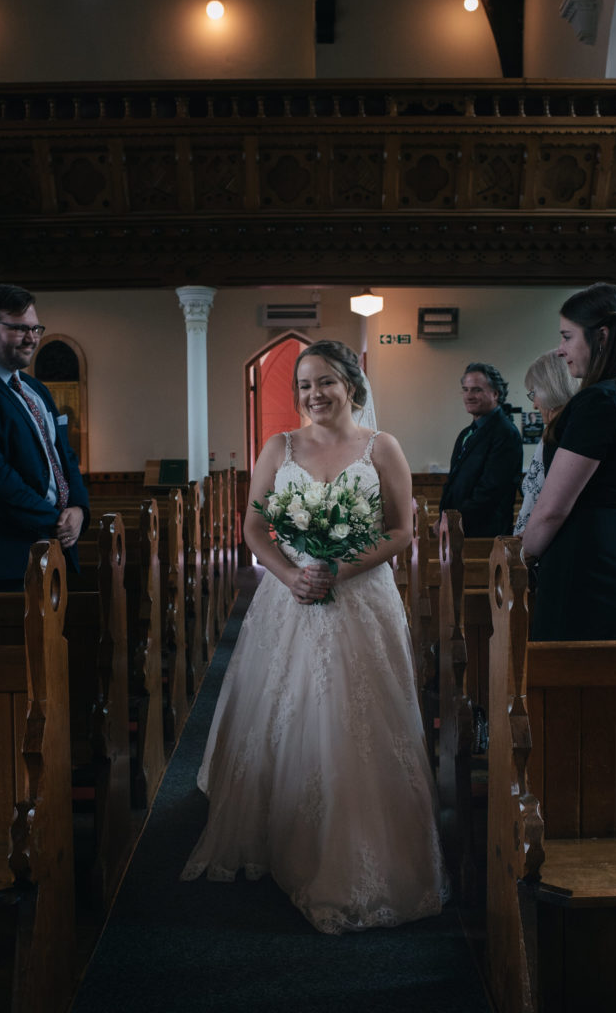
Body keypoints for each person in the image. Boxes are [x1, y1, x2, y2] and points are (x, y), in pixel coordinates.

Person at [181, 340, 447, 933]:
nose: (313, 395)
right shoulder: (280, 447)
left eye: (325, 382)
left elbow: (402, 531)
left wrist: (341, 569)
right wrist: (289, 574)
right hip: (289, 595)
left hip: (360, 598)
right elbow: (253, 524)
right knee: (289, 709)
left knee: (356, 718)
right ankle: (280, 838)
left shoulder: (384, 448)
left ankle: (356, 851)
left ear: (351, 384)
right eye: (304, 386)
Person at [522, 283, 616, 641]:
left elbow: (553, 508)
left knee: (569, 679)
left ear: (601, 336)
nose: (560, 351)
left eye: (567, 337)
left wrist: (522, 556)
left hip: (584, 563)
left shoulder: (599, 401)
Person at [0, 283, 89, 590]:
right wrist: (56, 520)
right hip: (2, 564)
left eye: (36, 328)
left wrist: (80, 509)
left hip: (53, 549)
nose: (32, 338)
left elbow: (65, 457)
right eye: (19, 329)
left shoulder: (36, 389)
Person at [437, 362, 522, 537]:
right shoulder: (467, 433)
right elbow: (453, 483)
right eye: (465, 389)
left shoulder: (505, 433)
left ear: (495, 393)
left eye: (476, 390)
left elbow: (490, 491)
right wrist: (443, 518)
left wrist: (455, 521)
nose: (469, 396)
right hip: (458, 529)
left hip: (485, 533)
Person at [513, 349, 578, 535]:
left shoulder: (561, 432)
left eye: (534, 393)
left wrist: (529, 548)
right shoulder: (558, 428)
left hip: (545, 541)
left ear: (550, 388)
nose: (534, 404)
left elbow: (552, 508)